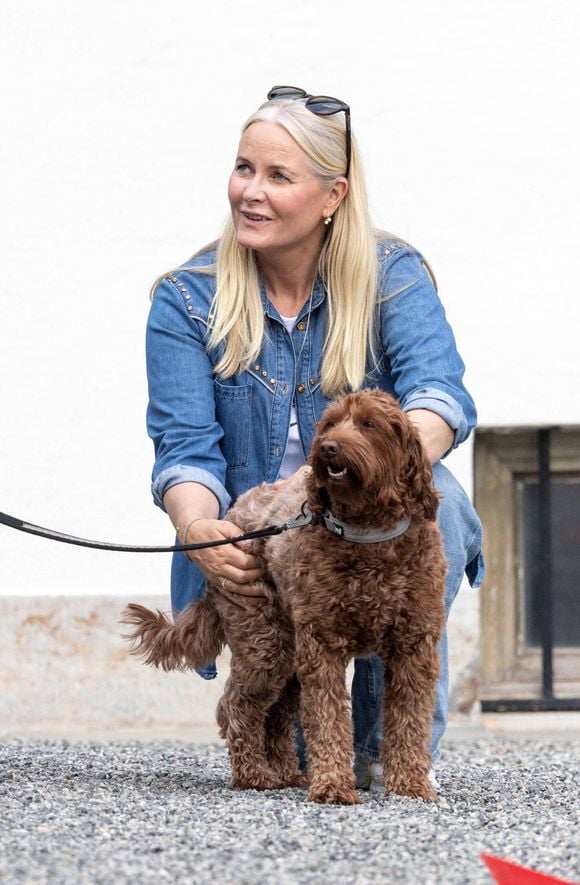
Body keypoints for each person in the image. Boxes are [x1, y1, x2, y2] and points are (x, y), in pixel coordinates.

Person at [145, 85, 484, 792]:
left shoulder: (393, 275)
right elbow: (185, 447)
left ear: (333, 195)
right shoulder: (186, 297)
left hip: (375, 517)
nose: (251, 192)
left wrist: (392, 465)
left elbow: (440, 394)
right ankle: (301, 729)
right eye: (244, 169)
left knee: (441, 505)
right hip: (276, 543)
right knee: (281, 698)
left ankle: (387, 746)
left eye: (278, 176)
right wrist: (199, 526)